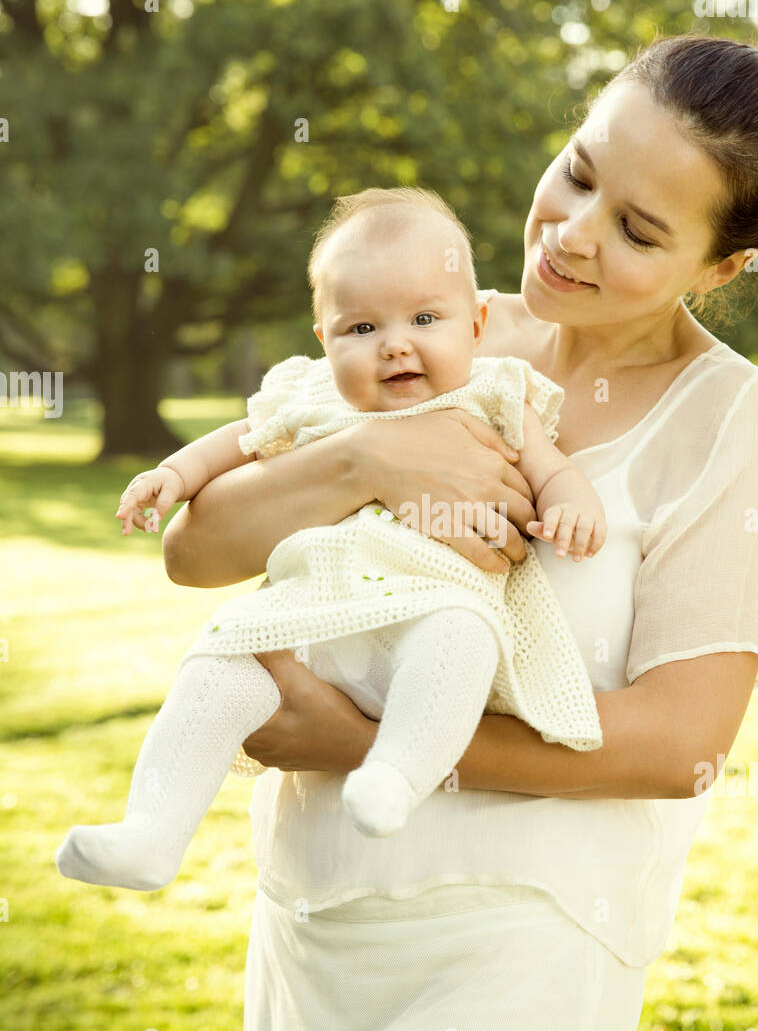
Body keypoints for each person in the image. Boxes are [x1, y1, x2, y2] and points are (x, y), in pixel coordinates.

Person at [161, 30, 758, 1031]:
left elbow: (683, 743)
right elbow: (197, 548)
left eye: (638, 230)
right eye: (579, 172)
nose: (572, 233)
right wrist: (369, 463)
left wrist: (375, 741)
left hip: (523, 935)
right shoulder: (434, 328)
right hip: (320, 909)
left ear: (721, 268)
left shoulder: (728, 415)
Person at [54, 187, 607, 891]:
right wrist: (172, 473)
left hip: (427, 615)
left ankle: (394, 776)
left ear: (477, 324)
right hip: (309, 624)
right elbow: (238, 442)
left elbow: (550, 469)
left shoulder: (497, 393)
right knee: (216, 663)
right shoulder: (311, 395)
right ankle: (151, 832)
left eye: (425, 318)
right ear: (324, 339)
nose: (395, 343)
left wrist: (570, 506)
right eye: (361, 329)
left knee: (463, 641)